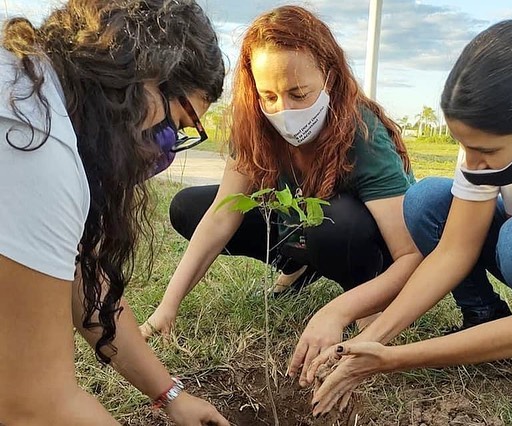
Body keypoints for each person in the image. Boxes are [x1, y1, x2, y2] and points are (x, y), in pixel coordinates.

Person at [306, 20, 512, 425]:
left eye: (485, 150)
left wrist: (391, 360)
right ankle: (484, 318)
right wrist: (366, 341)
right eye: (464, 146)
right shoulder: (488, 143)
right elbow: (453, 251)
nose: (471, 162)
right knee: (429, 199)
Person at [140, 5, 423, 384]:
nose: (283, 110)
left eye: (299, 93)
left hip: (367, 242)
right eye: (269, 95)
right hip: (306, 230)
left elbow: (410, 256)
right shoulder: (256, 127)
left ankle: (363, 296)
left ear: (330, 78)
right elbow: (222, 216)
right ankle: (301, 264)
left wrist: (339, 312)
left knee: (333, 225)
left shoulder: (362, 134)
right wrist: (167, 307)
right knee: (190, 206)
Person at [0, 0, 230, 424]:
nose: (164, 150)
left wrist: (171, 396)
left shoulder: (33, 95)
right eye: (175, 125)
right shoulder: (32, 143)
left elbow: (82, 278)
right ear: (135, 74)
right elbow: (35, 406)